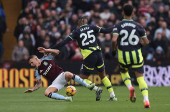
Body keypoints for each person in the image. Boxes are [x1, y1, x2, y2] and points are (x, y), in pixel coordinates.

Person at [38, 16, 117, 101]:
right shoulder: (93, 27)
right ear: (86, 22)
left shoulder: (76, 32)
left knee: (82, 78)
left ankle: (96, 89)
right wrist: (117, 27)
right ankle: (112, 95)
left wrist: (49, 49)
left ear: (79, 24)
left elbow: (64, 42)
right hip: (98, 53)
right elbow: (107, 30)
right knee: (103, 76)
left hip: (89, 55)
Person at [112, 5, 150, 108]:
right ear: (133, 14)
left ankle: (130, 88)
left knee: (124, 72)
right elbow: (146, 41)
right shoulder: (139, 26)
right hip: (136, 54)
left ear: (122, 13)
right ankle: (146, 100)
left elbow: (114, 40)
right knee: (140, 78)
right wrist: (139, 45)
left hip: (123, 55)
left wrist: (113, 50)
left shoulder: (118, 25)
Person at [25, 48, 95, 102]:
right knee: (46, 93)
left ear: (36, 59)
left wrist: (47, 50)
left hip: (61, 75)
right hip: (55, 83)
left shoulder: (45, 58)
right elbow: (39, 84)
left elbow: (57, 52)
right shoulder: (37, 71)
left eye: (32, 62)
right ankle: (67, 98)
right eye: (30, 64)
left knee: (68, 74)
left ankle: (88, 86)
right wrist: (33, 89)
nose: (31, 65)